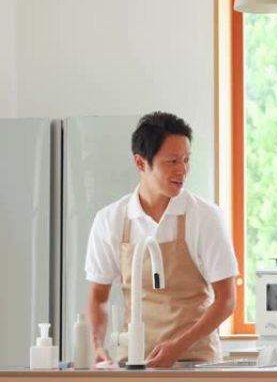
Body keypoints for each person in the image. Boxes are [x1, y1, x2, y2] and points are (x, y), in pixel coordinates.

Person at [85, 111, 238, 367]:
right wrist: (97, 346)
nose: (183, 170)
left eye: (186, 160)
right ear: (141, 163)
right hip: (136, 361)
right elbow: (98, 296)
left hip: (196, 363)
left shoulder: (205, 217)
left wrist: (178, 346)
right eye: (172, 161)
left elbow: (226, 300)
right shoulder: (110, 220)